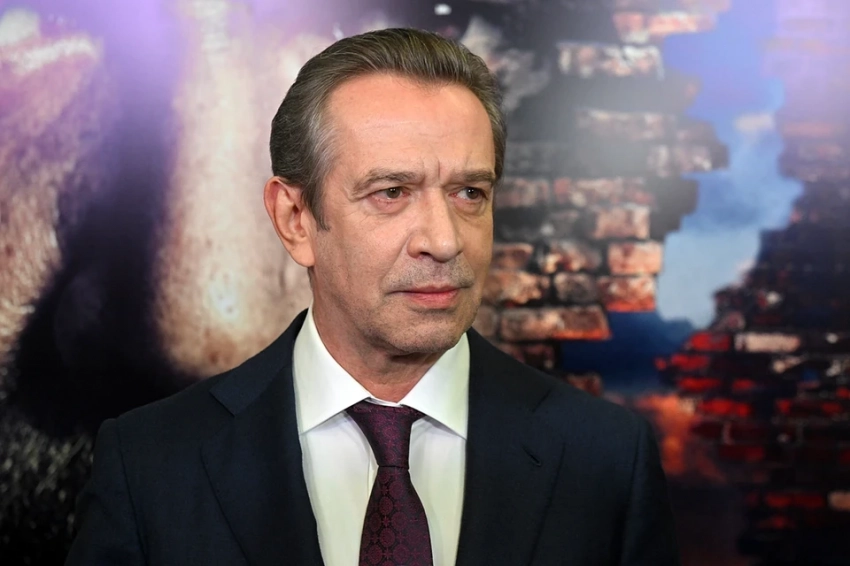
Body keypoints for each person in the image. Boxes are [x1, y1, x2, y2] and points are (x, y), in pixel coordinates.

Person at [65, 28, 679, 566]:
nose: (443, 240)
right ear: (296, 220)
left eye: (469, 193)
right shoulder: (151, 464)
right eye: (391, 193)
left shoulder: (606, 459)